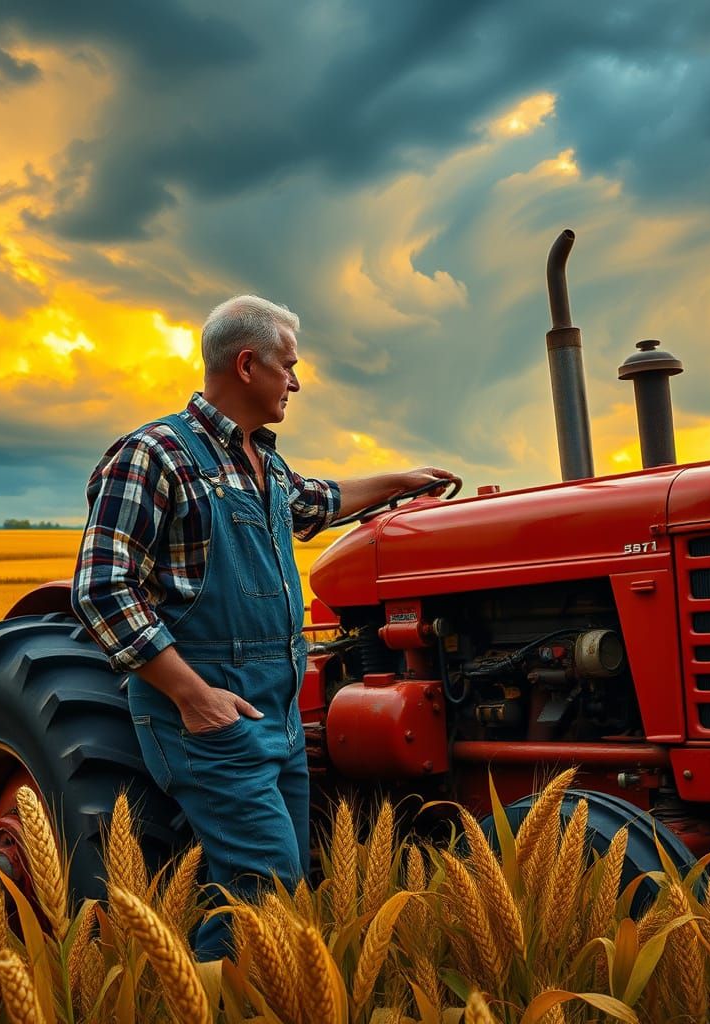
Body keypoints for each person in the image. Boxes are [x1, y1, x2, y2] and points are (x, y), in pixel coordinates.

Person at [72, 294, 458, 960]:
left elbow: (322, 499)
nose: (297, 382)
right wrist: (193, 697)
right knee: (264, 889)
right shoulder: (154, 455)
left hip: (276, 712)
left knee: (276, 888)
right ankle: (196, 994)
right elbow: (102, 589)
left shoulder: (265, 466)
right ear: (247, 365)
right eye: (288, 366)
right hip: (208, 706)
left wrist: (404, 481)